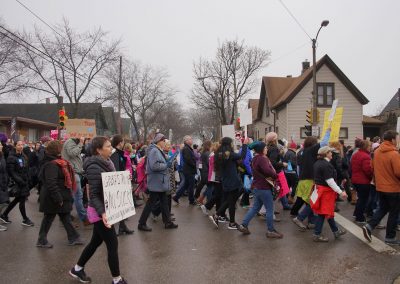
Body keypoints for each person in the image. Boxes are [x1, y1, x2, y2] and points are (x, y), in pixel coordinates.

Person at [70, 136, 128, 284]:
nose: (111, 148)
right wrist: (103, 213)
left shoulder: (107, 162)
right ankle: (117, 279)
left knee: (95, 242)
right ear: (98, 150)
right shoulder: (94, 166)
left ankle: (77, 269)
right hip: (99, 211)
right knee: (112, 244)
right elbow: (94, 195)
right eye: (108, 146)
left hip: (106, 209)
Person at [36, 140, 83, 248]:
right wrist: (59, 198)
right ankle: (42, 240)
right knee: (50, 218)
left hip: (57, 196)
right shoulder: (52, 164)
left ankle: (73, 237)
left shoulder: (55, 162)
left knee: (63, 216)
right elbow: (51, 183)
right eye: (60, 148)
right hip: (54, 197)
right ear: (57, 150)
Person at [238, 142, 283, 238]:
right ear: (261, 149)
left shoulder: (255, 158)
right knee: (270, 209)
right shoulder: (262, 159)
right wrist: (275, 175)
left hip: (257, 187)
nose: (266, 149)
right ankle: (270, 230)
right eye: (265, 148)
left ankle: (243, 225)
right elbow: (267, 171)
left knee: (255, 208)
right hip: (264, 187)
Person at [363, 130, 400, 245]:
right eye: (397, 138)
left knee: (383, 209)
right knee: (394, 213)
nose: (398, 140)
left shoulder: (377, 152)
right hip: (393, 188)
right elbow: (398, 172)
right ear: (393, 139)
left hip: (380, 187)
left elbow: (372, 167)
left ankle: (369, 226)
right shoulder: (394, 154)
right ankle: (390, 237)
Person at [137, 133, 178, 232]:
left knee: (163, 202)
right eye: (164, 141)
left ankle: (167, 222)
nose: (165, 143)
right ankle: (141, 223)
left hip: (159, 181)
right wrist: (166, 165)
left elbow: (159, 163)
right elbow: (154, 166)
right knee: (151, 203)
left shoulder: (157, 150)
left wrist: (170, 160)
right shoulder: (154, 151)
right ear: (159, 141)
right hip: (157, 181)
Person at [311, 146, 347, 242]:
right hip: (325, 191)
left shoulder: (318, 163)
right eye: (330, 152)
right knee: (323, 213)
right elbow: (330, 181)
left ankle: (336, 231)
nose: (332, 154)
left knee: (327, 212)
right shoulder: (326, 165)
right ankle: (317, 234)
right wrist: (340, 191)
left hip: (320, 189)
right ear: (326, 153)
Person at [209, 137, 245, 230]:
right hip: (232, 180)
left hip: (225, 179)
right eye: (231, 143)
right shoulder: (229, 154)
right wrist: (244, 145)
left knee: (231, 201)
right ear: (229, 144)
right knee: (231, 200)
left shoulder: (218, 153)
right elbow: (242, 156)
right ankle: (217, 215)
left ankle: (231, 222)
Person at [0, 140, 34, 226]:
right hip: (19, 183)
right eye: (19, 145)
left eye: (22, 145)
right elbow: (11, 172)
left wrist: (28, 179)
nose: (21, 146)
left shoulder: (24, 156)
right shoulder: (11, 157)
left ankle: (4, 215)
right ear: (15, 146)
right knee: (21, 200)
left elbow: (26, 169)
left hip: (24, 182)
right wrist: (19, 181)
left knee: (17, 200)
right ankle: (25, 219)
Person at [110, 135, 134, 235]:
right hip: (117, 182)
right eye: (123, 142)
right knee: (116, 206)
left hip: (122, 180)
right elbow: (115, 169)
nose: (123, 143)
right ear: (120, 143)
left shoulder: (119, 153)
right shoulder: (115, 154)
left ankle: (122, 227)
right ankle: (114, 229)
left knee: (122, 205)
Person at [62, 137, 89, 226]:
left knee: (73, 196)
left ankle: (65, 214)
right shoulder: (70, 142)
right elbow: (72, 153)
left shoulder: (73, 142)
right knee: (78, 195)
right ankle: (84, 218)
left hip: (76, 172)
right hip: (73, 172)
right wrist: (81, 143)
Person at [351, 140, 373, 224]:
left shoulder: (356, 154)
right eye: (369, 146)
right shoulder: (366, 156)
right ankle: (360, 218)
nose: (370, 148)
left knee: (360, 198)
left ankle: (356, 214)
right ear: (366, 147)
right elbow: (367, 170)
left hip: (355, 179)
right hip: (363, 181)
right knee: (363, 200)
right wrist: (372, 176)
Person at [173, 136, 197, 205]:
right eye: (190, 139)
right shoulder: (186, 149)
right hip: (189, 170)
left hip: (188, 169)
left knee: (186, 185)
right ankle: (191, 200)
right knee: (191, 186)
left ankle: (176, 197)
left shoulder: (188, 148)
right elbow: (188, 159)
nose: (191, 140)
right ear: (186, 141)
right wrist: (193, 164)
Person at [195, 140, 212, 205]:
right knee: (210, 187)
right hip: (207, 171)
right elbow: (209, 163)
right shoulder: (207, 153)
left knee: (205, 185)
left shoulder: (203, 152)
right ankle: (208, 200)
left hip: (204, 171)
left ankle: (199, 198)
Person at [0, 142, 8, 231]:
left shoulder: (2, 156)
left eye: (1, 145)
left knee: (3, 203)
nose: (1, 146)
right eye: (0, 145)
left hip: (3, 183)